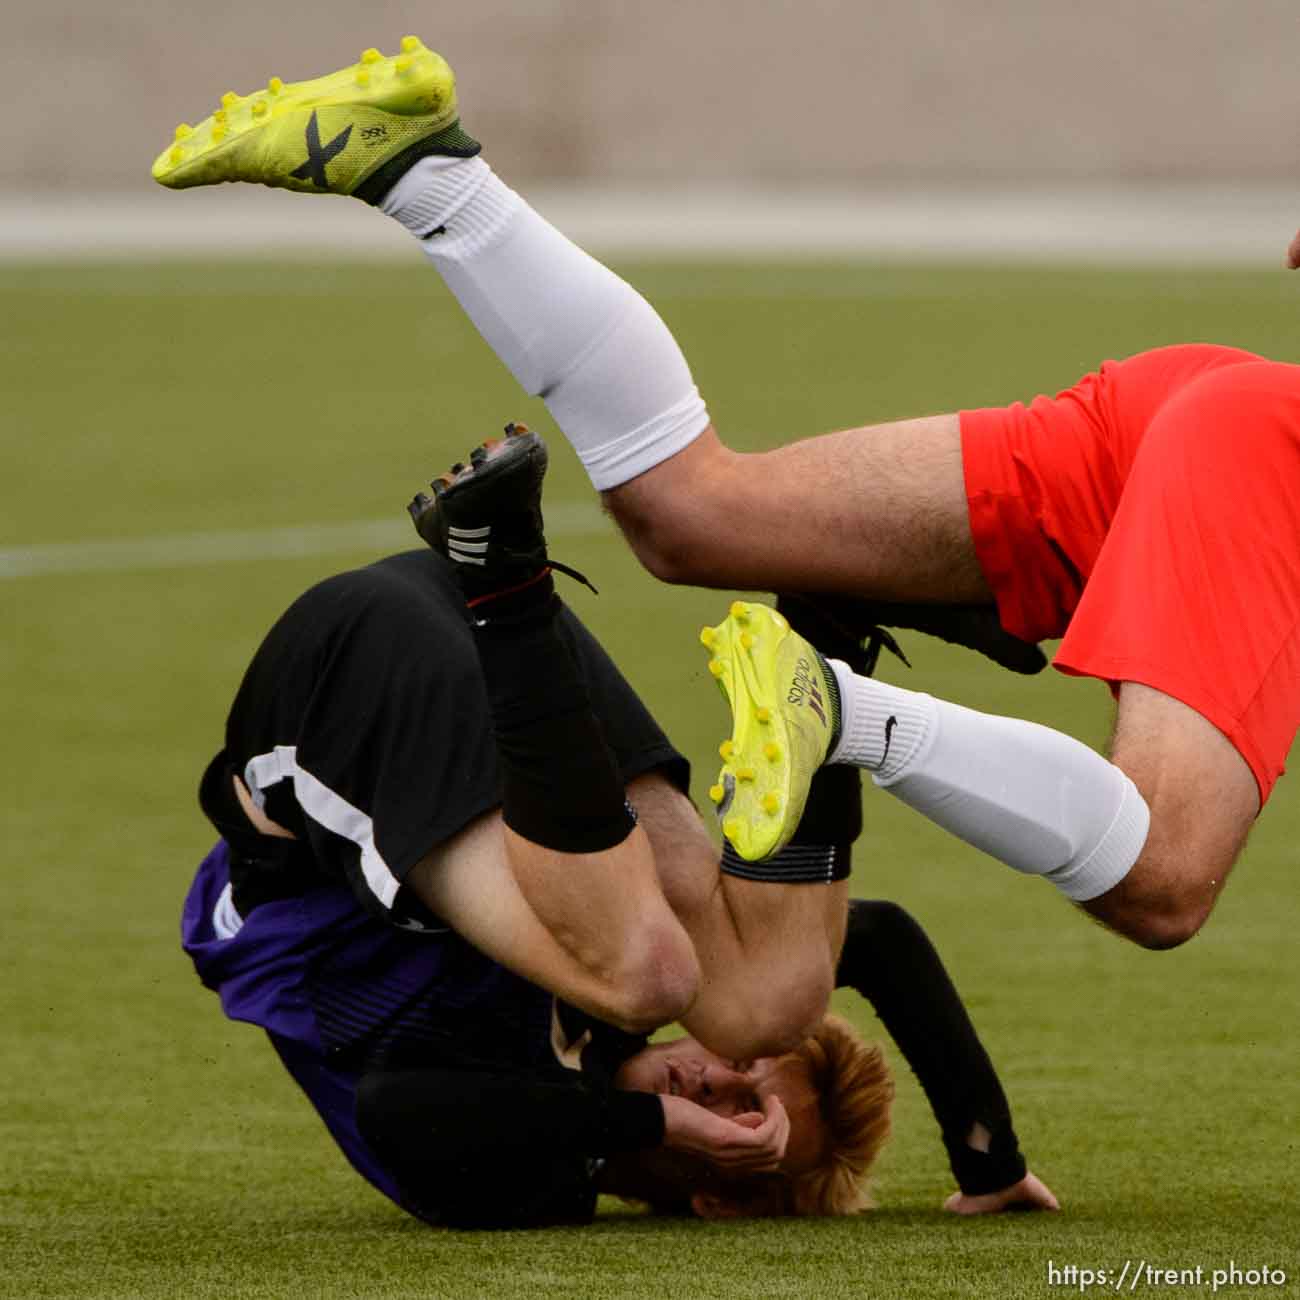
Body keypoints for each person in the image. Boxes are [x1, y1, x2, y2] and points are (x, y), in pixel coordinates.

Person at [154, 38, 1297, 954]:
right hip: (1263, 449)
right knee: (1161, 874)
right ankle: (840, 713)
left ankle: (431, 174)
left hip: (1206, 404)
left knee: (694, 508)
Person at [181, 432, 1056, 1224]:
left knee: (649, 971)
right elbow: (886, 942)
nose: (713, 1076)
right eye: (742, 1075)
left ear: (719, 1194)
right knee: (769, 994)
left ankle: (509, 574)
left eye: (741, 1114)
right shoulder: (626, 1015)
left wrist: (642, 1122)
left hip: (311, 744)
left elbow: (396, 1109)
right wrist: (989, 1158)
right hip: (463, 618)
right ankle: (828, 635)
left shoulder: (532, 1177)